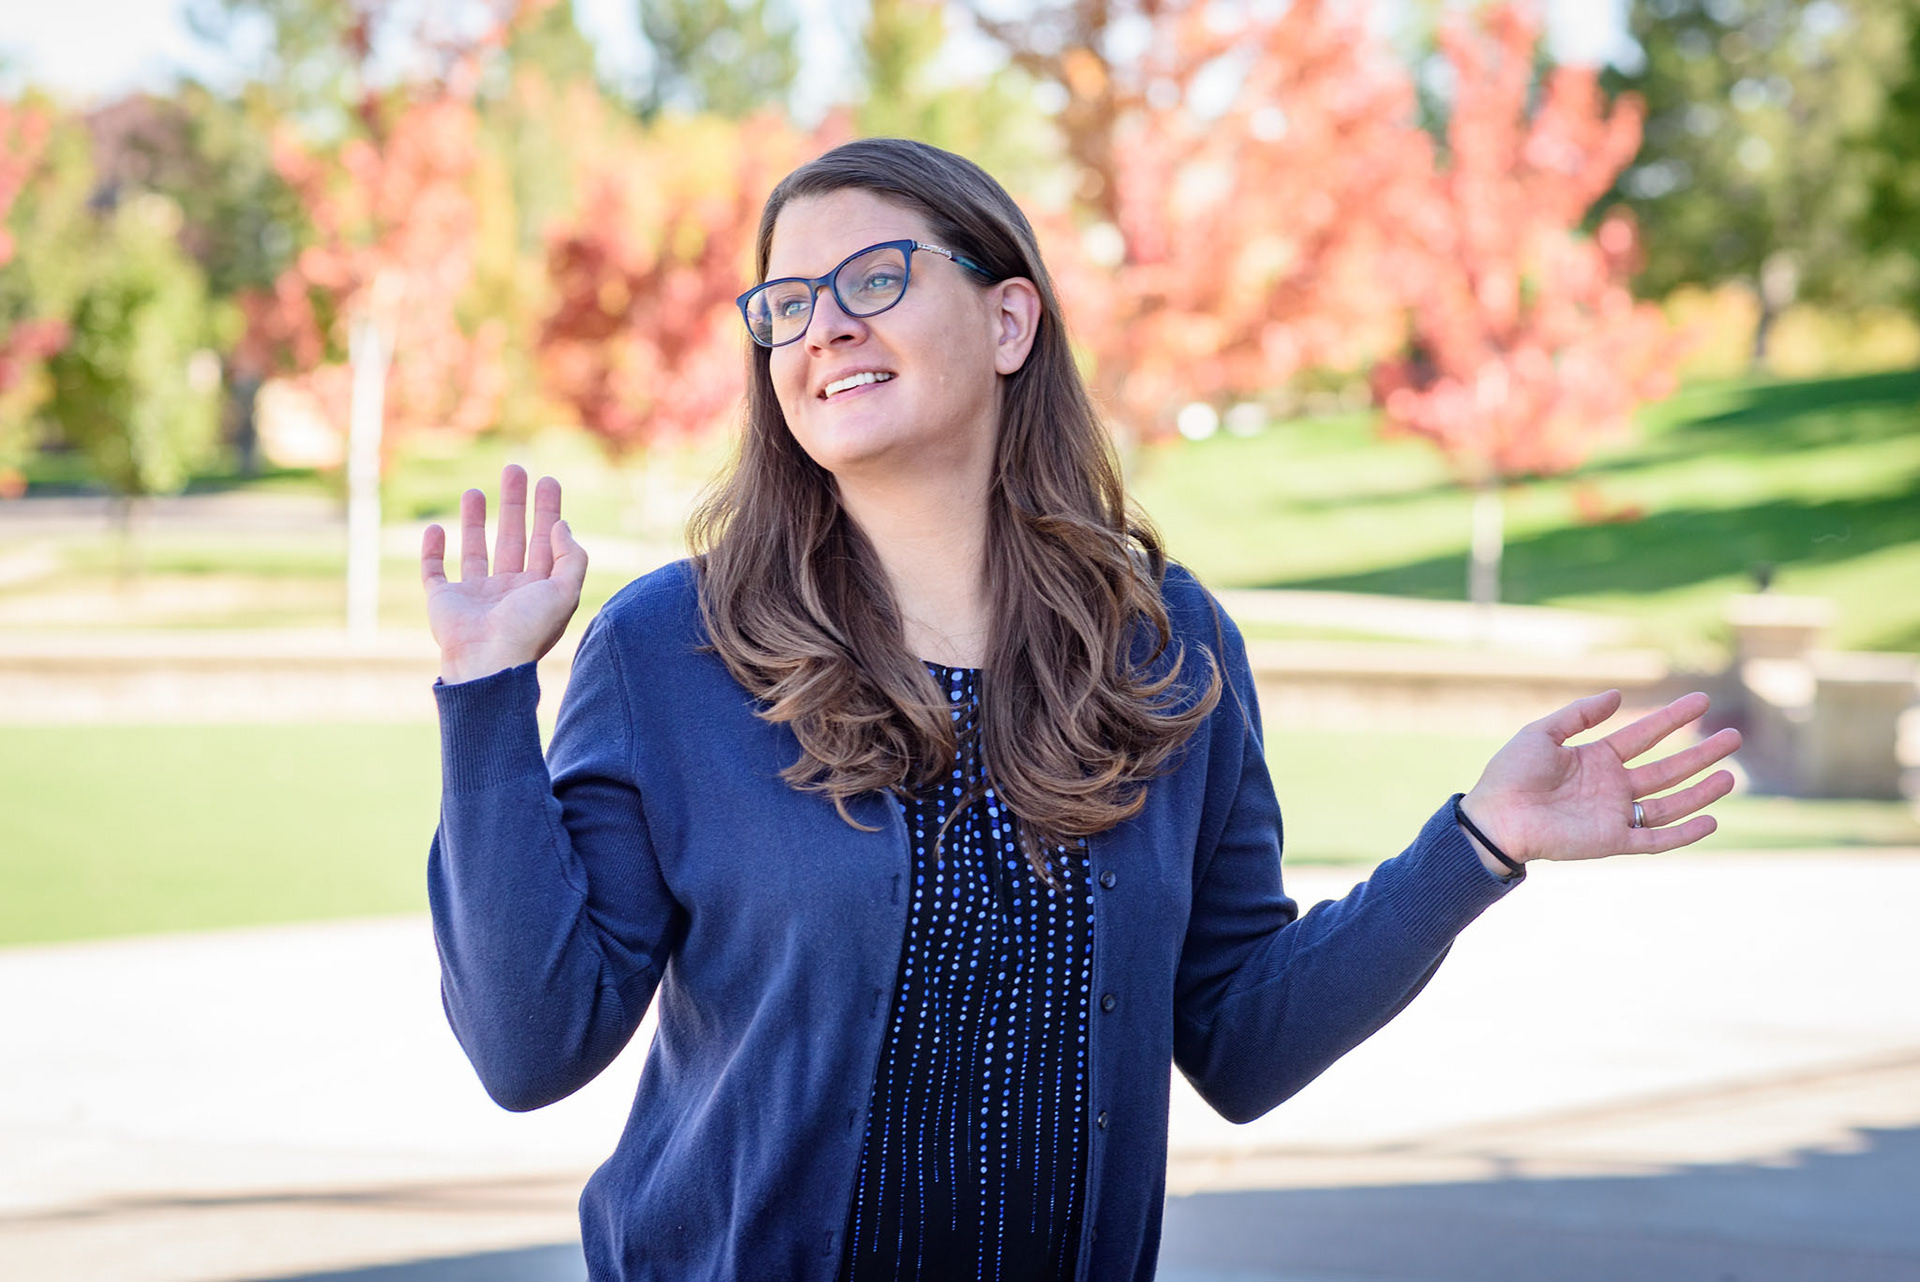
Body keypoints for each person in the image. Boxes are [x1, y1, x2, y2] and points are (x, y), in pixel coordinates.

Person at [420, 137, 1741, 1282]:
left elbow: (1239, 1039)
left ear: (1010, 322)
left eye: (874, 279)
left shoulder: (1167, 647)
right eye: (787, 303)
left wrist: (1476, 846)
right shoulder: (672, 648)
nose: (823, 327)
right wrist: (484, 693)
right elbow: (531, 1048)